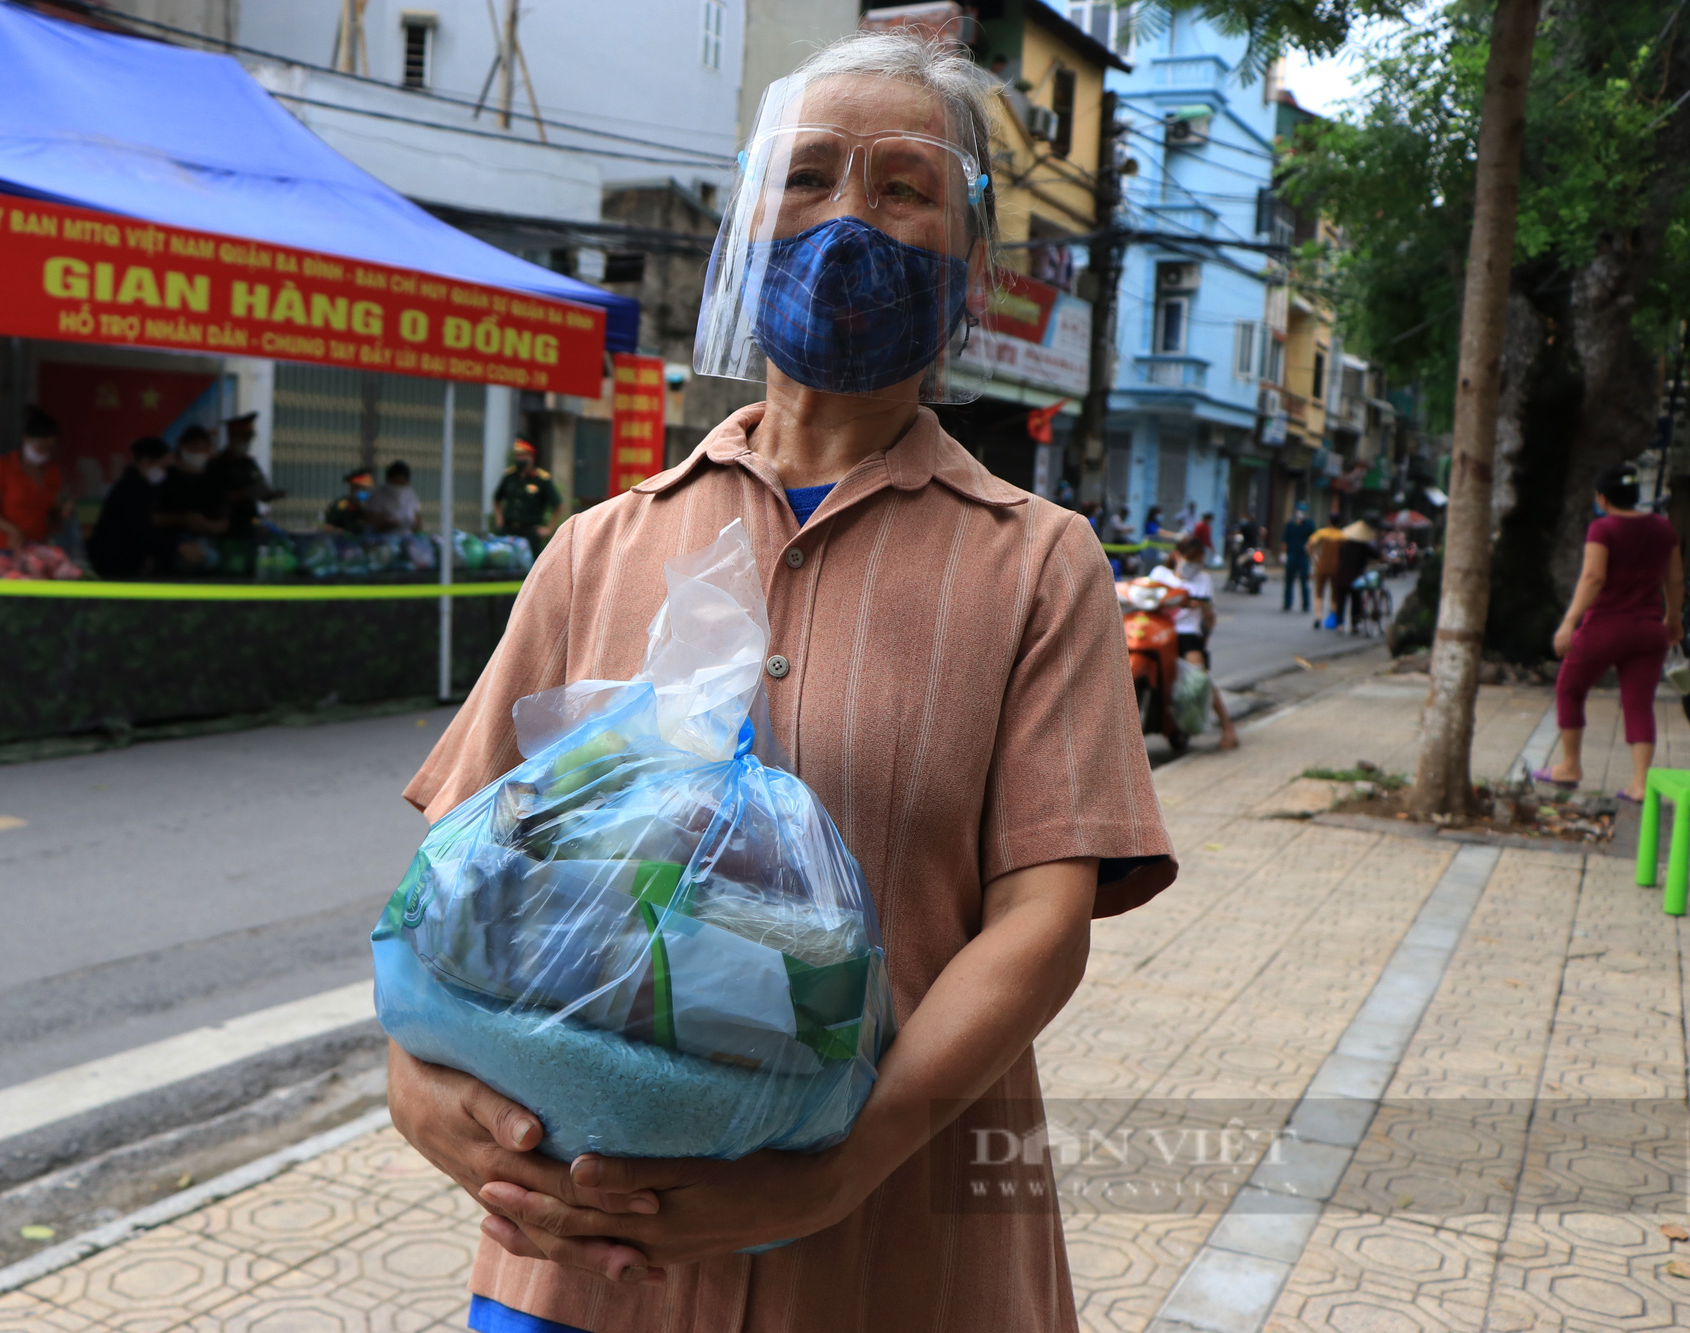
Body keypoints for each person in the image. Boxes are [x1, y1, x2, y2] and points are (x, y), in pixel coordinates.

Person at [387, 31, 1175, 1332]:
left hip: (897, 1254)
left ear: (971, 257)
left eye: (904, 188)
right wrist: (417, 1084)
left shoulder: (1037, 566)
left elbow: (1041, 926)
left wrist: (840, 1165)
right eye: (807, 175)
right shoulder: (599, 548)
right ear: (746, 220)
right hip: (582, 1263)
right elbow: (457, 885)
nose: (850, 218)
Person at [1541, 463, 1683, 801]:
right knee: (1639, 703)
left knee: (1570, 689)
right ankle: (1638, 785)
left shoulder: (1603, 529)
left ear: (1602, 498)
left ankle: (1570, 766)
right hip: (1649, 630)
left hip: (1606, 626)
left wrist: (1569, 621)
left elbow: (1593, 577)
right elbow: (1675, 579)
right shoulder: (1665, 529)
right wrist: (1672, 620)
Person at [1150, 536, 1240, 750]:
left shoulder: (1204, 580)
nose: (1194, 566)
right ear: (1177, 556)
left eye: (1199, 561)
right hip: (1156, 630)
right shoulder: (1159, 574)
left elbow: (1210, 621)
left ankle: (1228, 728)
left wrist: (1204, 609)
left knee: (1200, 678)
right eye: (1191, 560)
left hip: (1186, 634)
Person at [0, 406, 71, 553]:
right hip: (5, 548)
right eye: (41, 447)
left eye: (49, 448)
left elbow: (53, 511)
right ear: (25, 439)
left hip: (39, 548)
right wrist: (12, 530)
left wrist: (63, 514)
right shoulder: (2, 465)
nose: (44, 453)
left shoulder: (52, 471)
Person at [86, 436, 177, 578]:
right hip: (115, 564)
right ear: (146, 462)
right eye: (162, 466)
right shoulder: (130, 490)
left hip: (125, 561)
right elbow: (141, 529)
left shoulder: (145, 487)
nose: (164, 472)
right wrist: (176, 548)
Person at [154, 426, 229, 569]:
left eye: (203, 448)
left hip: (208, 549)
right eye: (194, 448)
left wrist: (206, 525)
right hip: (171, 549)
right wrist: (183, 520)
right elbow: (152, 518)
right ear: (182, 448)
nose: (198, 453)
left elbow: (224, 523)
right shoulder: (166, 479)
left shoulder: (214, 481)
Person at [211, 412, 285, 540]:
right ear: (232, 436)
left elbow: (261, 488)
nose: (248, 441)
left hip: (249, 528)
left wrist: (270, 494)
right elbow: (216, 495)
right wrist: (246, 493)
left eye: (250, 437)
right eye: (244, 437)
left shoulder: (249, 463)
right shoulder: (218, 464)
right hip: (227, 530)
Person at [492, 440, 563, 552]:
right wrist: (499, 519)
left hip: (530, 532)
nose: (519, 458)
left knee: (532, 566)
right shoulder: (509, 476)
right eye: (517, 455)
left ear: (531, 456)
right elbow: (497, 498)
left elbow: (558, 505)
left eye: (522, 455)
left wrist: (549, 529)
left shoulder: (541, 479)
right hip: (508, 530)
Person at [1329, 518, 1378, 633]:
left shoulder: (1344, 546)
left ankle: (1340, 624)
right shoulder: (1364, 547)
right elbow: (1376, 555)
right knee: (1356, 601)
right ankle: (1354, 624)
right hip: (1355, 578)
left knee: (1341, 601)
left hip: (1340, 577)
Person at [368, 459, 424, 535]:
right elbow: (374, 520)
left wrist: (410, 524)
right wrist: (390, 523)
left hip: (406, 536)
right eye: (397, 482)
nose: (399, 487)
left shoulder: (409, 493)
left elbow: (417, 521)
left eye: (402, 483)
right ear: (390, 479)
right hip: (383, 537)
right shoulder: (379, 494)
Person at [1307, 517, 1344, 628]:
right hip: (1336, 567)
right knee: (1335, 593)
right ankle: (1333, 615)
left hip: (1322, 566)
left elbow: (1309, 546)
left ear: (1329, 522)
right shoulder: (1342, 535)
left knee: (1319, 591)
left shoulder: (1321, 533)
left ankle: (1318, 616)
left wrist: (1315, 558)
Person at [1281, 503, 1314, 612]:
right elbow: (1285, 540)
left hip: (1304, 556)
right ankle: (1287, 603)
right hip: (1292, 555)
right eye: (1300, 511)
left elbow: (1313, 540)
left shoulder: (1309, 524)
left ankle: (1306, 605)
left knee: (1304, 582)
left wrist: (1312, 554)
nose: (1301, 513)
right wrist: (1284, 554)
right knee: (1289, 581)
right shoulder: (1290, 524)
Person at [324, 468, 376, 534]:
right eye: (358, 488)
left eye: (366, 489)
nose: (362, 492)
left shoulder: (377, 504)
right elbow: (330, 526)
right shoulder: (341, 505)